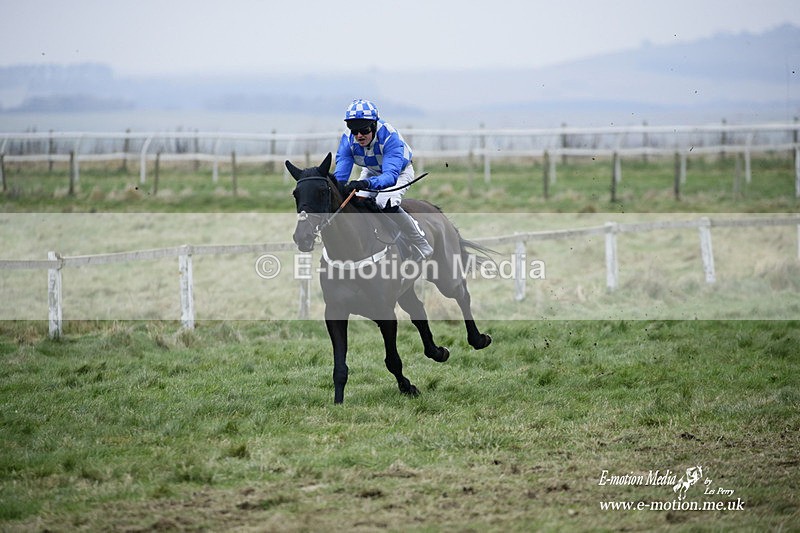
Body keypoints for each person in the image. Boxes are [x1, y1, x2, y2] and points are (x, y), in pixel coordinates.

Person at [334, 99, 433, 261]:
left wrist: (366, 183)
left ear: (374, 125)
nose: (359, 135)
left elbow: (390, 176)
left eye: (364, 130)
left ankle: (421, 243)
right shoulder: (347, 139)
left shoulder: (390, 136)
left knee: (384, 201)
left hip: (399, 173)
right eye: (354, 130)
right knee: (355, 201)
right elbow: (340, 177)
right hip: (371, 171)